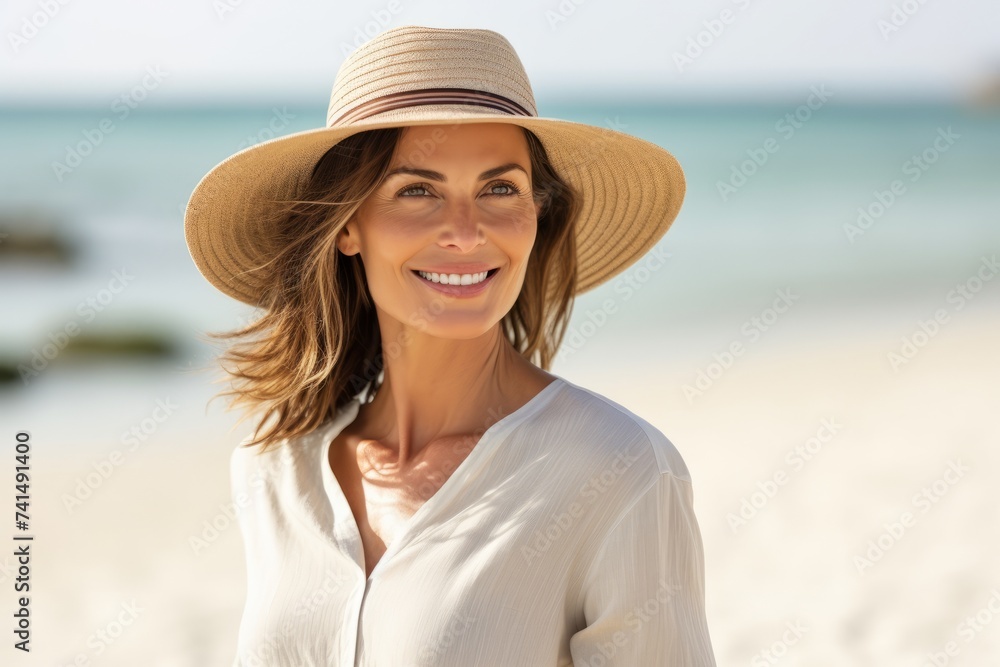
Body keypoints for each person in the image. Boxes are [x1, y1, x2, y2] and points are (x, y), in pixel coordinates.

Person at [184, 24, 717, 667]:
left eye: (500, 189)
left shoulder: (619, 471)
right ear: (348, 226)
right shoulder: (275, 469)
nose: (466, 234)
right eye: (417, 190)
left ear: (535, 215)